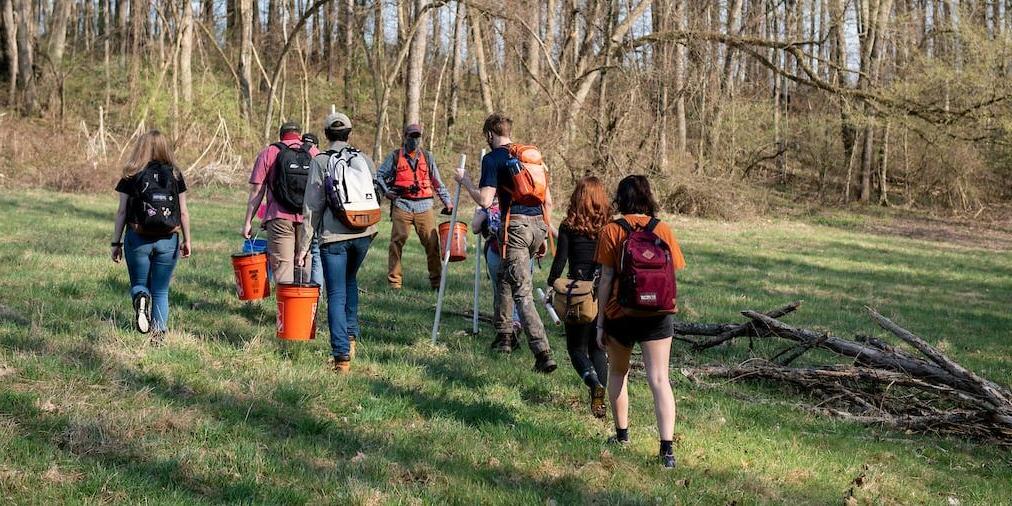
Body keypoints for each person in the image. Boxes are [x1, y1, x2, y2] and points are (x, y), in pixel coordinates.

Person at [454, 112, 557, 373]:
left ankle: (543, 352)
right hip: (538, 226)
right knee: (503, 275)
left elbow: (486, 201)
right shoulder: (529, 156)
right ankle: (504, 337)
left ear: (490, 134)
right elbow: (547, 199)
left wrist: (465, 182)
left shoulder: (493, 158)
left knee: (522, 291)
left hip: (517, 229)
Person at [594, 175, 686, 469]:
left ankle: (622, 436)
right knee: (660, 379)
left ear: (620, 198)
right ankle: (667, 451)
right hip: (658, 315)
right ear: (648, 197)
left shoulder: (611, 230)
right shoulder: (663, 230)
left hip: (620, 314)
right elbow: (673, 272)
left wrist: (600, 321)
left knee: (619, 373)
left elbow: (606, 278)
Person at [298, 112, 378, 373]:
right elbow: (376, 193)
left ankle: (341, 356)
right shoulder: (364, 158)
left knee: (335, 293)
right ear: (349, 133)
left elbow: (312, 206)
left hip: (334, 237)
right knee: (350, 280)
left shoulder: (321, 161)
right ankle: (351, 338)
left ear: (326, 134)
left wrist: (303, 246)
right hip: (364, 233)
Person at [110, 129, 192, 344]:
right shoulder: (175, 174)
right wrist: (187, 240)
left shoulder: (131, 173)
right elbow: (183, 211)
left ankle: (140, 298)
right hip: (168, 240)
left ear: (141, 147)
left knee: (139, 283)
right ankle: (158, 337)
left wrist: (116, 242)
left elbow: (121, 212)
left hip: (138, 238)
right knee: (161, 289)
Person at [547, 176, 610, 418]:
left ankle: (592, 382)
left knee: (576, 349)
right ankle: (600, 404)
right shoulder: (609, 226)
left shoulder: (568, 225)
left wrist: (552, 284)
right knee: (598, 349)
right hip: (602, 293)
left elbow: (560, 261)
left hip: (578, 295)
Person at [374, 123, 454, 290]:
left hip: (425, 206)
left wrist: (448, 202)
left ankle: (437, 283)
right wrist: (386, 192)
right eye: (412, 136)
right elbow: (379, 175)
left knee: (432, 244)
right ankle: (394, 283)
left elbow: (437, 182)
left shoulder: (427, 156)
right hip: (402, 205)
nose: (415, 140)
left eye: (417, 136)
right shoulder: (395, 156)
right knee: (396, 243)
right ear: (405, 137)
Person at [241, 121, 321, 285]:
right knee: (304, 262)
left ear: (281, 135)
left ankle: (285, 309)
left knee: (283, 266)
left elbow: (257, 191)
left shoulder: (269, 152)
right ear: (299, 134)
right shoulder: (314, 153)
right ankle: (303, 307)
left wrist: (248, 222)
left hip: (279, 217)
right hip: (308, 218)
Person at [471, 198, 523, 332]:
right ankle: (516, 322)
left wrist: (477, 213)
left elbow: (475, 227)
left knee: (500, 289)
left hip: (496, 251)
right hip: (521, 251)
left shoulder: (489, 206)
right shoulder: (523, 202)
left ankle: (503, 322)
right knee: (520, 288)